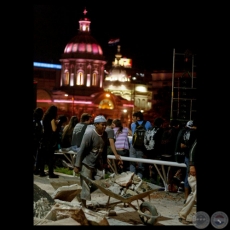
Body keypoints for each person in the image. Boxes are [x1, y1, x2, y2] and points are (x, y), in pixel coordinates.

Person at [73, 115, 108, 208]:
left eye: (105, 125)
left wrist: (105, 162)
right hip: (86, 162)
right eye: (102, 125)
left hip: (97, 163)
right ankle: (84, 205)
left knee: (99, 182)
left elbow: (104, 150)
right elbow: (81, 150)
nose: (104, 127)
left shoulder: (105, 135)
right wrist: (77, 165)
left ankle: (81, 195)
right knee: (85, 184)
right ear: (96, 125)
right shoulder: (89, 135)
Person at [176, 120, 197, 202]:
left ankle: (186, 198)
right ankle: (193, 198)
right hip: (193, 158)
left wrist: (187, 145)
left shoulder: (185, 132)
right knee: (193, 178)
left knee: (187, 177)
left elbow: (181, 145)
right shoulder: (195, 133)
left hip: (187, 157)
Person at [36, 105, 60, 178]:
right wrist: (57, 123)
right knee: (50, 157)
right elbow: (54, 129)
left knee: (43, 156)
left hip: (44, 139)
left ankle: (41, 172)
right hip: (49, 140)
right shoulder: (52, 118)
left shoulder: (45, 117)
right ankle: (51, 173)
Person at [178, 139, 197, 224]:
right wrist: (192, 165)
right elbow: (193, 150)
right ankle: (182, 215)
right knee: (195, 193)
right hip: (194, 171)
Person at [129, 111, 152, 179]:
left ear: (138, 117)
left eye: (134, 117)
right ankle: (139, 179)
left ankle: (131, 178)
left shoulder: (133, 124)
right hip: (142, 147)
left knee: (132, 163)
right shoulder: (148, 123)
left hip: (133, 146)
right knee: (141, 164)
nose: (133, 119)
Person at [144, 117, 164, 183]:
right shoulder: (161, 130)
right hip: (156, 151)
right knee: (157, 166)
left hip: (147, 149)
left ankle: (151, 179)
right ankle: (157, 181)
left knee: (151, 165)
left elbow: (145, 139)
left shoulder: (149, 129)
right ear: (161, 124)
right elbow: (160, 141)